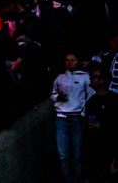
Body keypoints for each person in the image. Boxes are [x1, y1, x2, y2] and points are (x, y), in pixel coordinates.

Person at [51, 52, 94, 183]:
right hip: (61, 118)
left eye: (72, 60)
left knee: (77, 154)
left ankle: (79, 179)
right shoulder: (60, 77)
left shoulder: (85, 77)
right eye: (67, 60)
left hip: (77, 118)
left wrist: (83, 112)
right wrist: (58, 97)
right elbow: (52, 94)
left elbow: (91, 96)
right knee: (63, 155)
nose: (69, 62)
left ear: (78, 62)